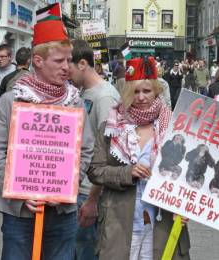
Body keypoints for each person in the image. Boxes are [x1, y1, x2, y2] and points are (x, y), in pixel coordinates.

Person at [0, 5, 95, 259]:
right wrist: (20, 192)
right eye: (59, 61)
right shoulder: (12, 101)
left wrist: (66, 186)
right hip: (19, 214)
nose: (67, 67)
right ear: (38, 61)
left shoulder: (75, 102)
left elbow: (86, 149)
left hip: (62, 213)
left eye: (68, 60)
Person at [87, 56, 190, 260]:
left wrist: (186, 208)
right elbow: (95, 171)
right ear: (126, 93)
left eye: (147, 91)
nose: (141, 97)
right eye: (135, 91)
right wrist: (127, 172)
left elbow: (187, 175)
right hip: (121, 222)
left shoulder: (175, 128)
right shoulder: (111, 125)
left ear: (156, 91)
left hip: (162, 221)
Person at [69, 39, 121, 260]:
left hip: (89, 192)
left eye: (67, 65)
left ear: (82, 64)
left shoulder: (105, 97)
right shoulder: (83, 93)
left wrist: (92, 199)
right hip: (78, 190)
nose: (65, 71)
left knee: (86, 252)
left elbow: (109, 153)